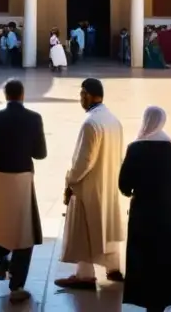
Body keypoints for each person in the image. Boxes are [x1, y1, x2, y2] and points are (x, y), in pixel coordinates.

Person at [0, 79, 46, 304]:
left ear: (5, 95)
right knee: (24, 232)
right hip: (23, 177)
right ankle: (17, 286)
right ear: (22, 95)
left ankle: (3, 258)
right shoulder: (34, 118)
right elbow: (40, 153)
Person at [119, 107, 171, 311]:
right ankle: (163, 299)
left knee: (143, 254)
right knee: (166, 252)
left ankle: (146, 298)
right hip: (168, 209)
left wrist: (132, 191)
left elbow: (124, 185)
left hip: (142, 210)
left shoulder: (134, 149)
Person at [55, 78, 125, 290]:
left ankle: (84, 275)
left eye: (83, 94)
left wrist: (70, 181)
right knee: (107, 227)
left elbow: (83, 161)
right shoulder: (113, 120)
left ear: (94, 96)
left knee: (84, 231)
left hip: (89, 186)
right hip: (109, 182)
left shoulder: (91, 123)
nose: (81, 99)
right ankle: (113, 268)